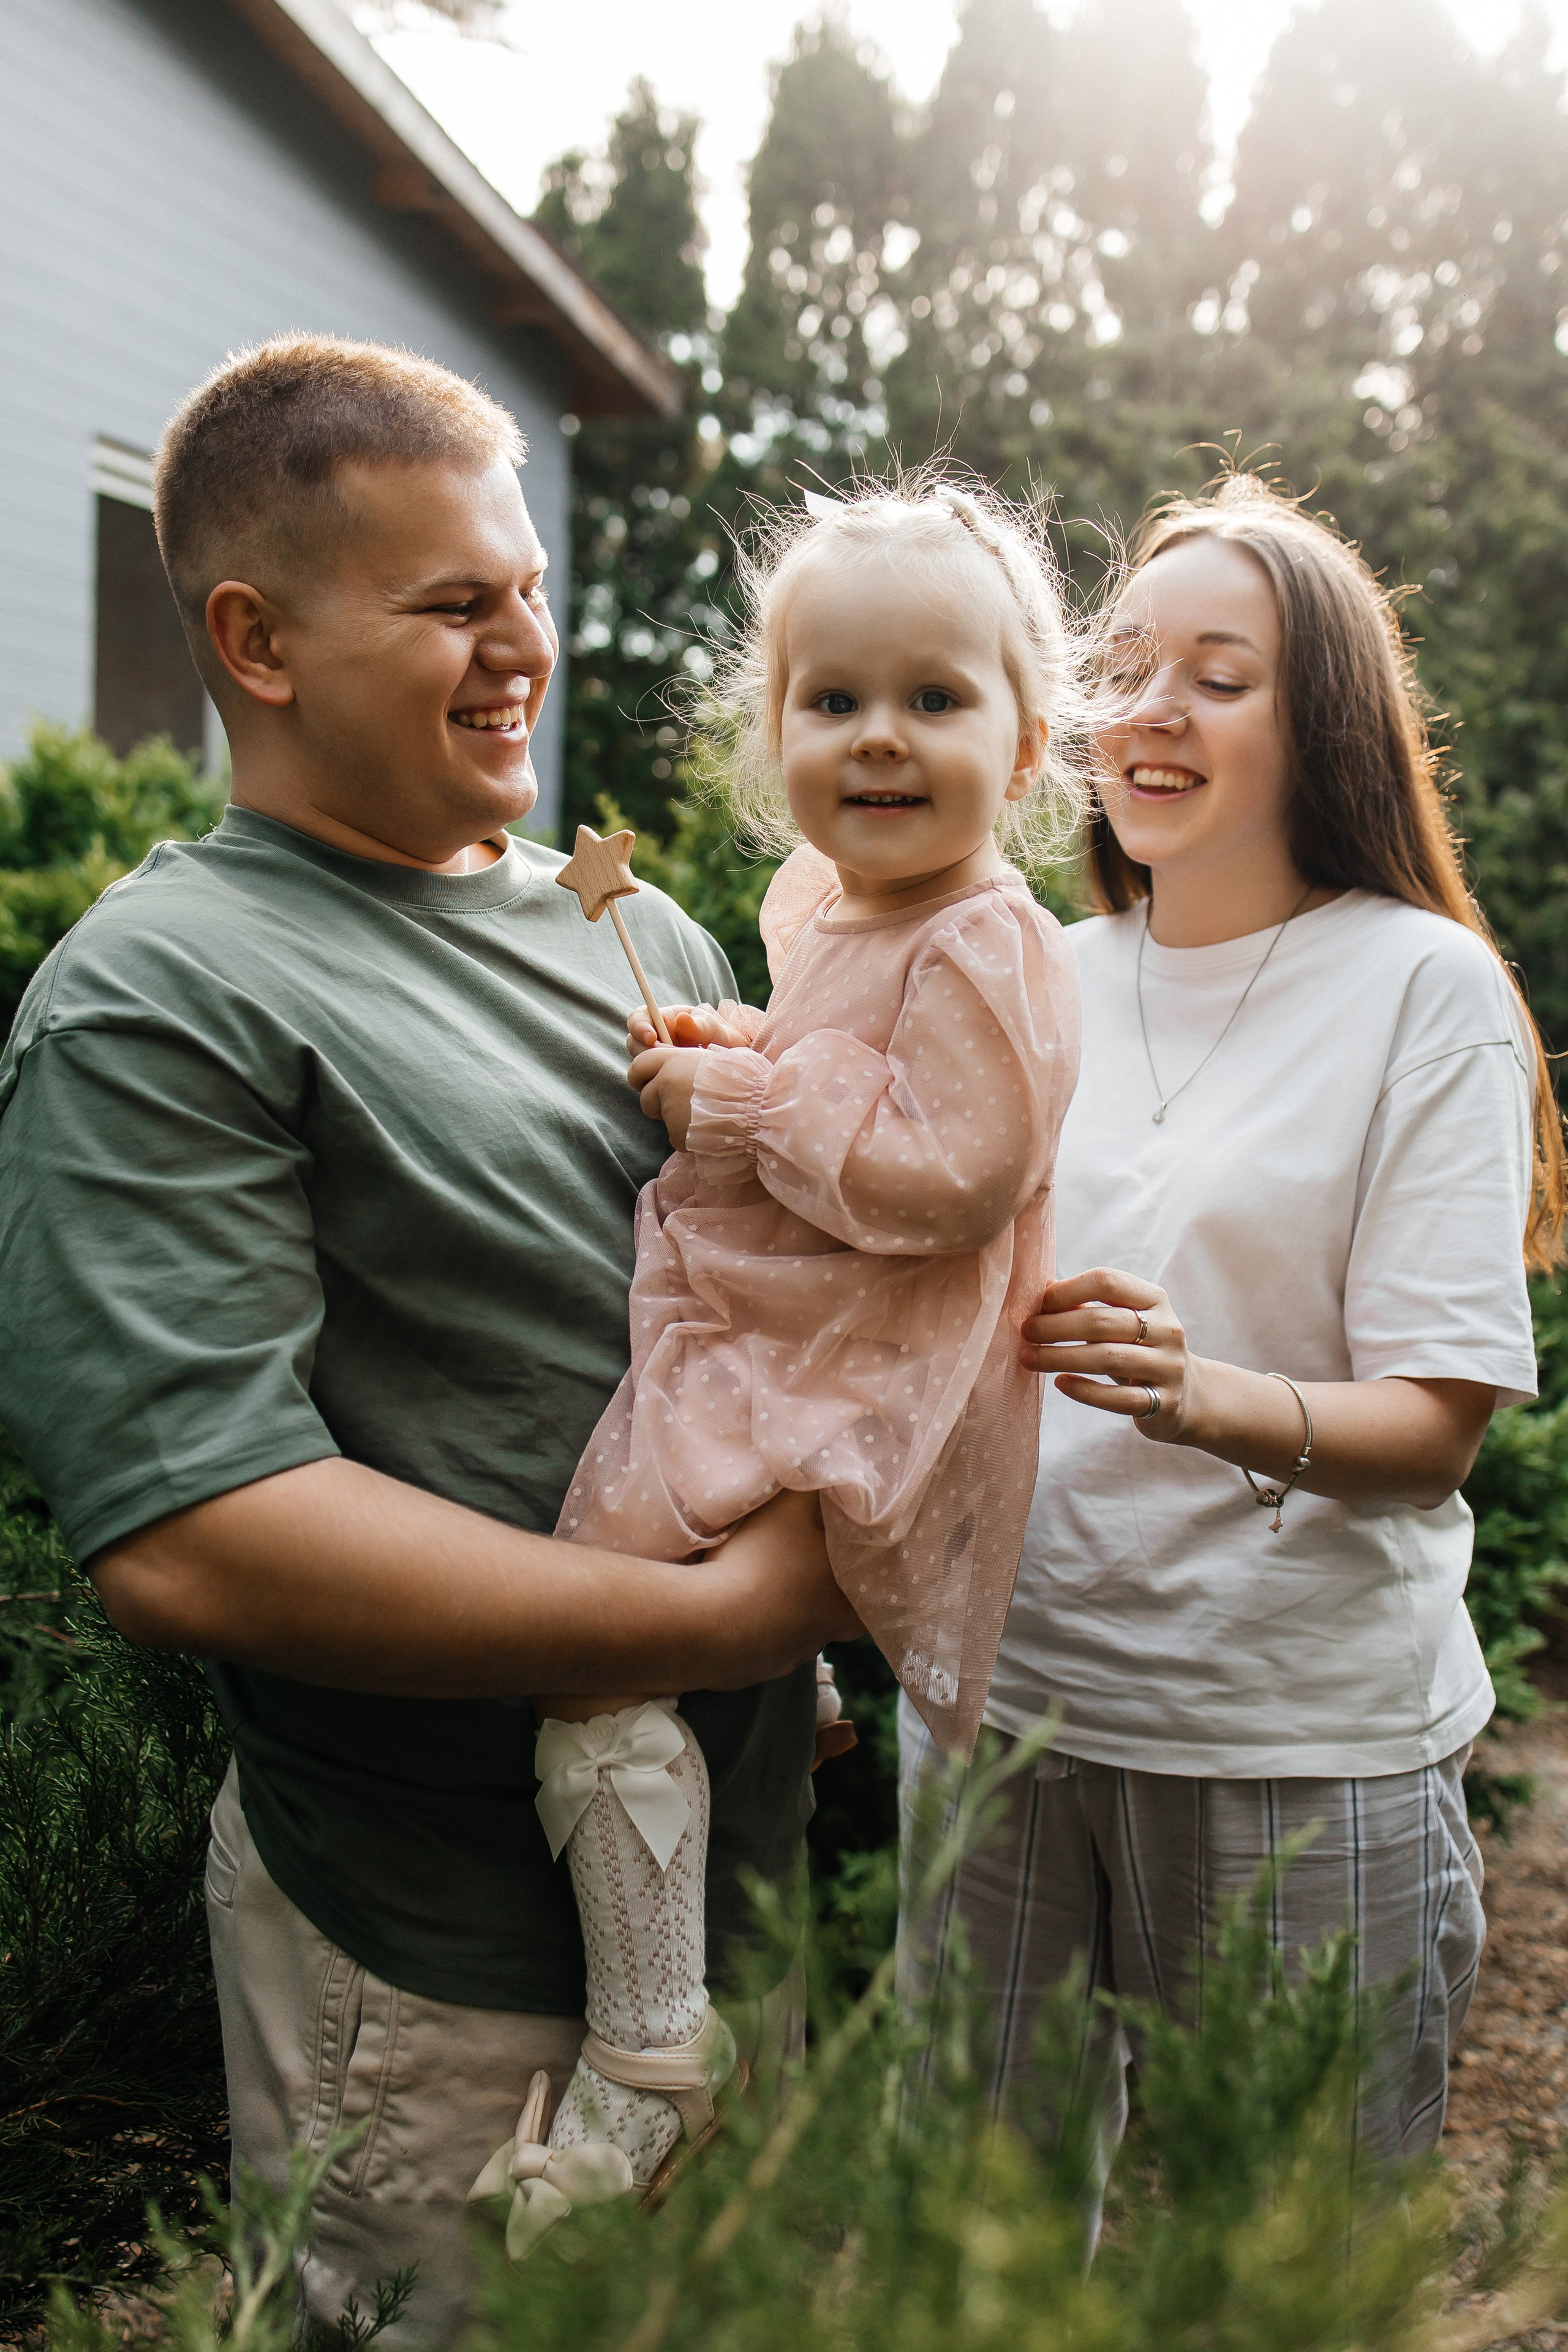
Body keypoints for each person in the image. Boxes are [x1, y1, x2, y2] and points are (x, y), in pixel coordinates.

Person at [0, 334, 857, 2346]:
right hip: (442, 1974)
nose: (524, 651)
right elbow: (197, 1534)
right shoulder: (162, 996)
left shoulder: (642, 942)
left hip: (733, 1906)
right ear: (257, 638)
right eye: (456, 605)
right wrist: (723, 1621)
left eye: (531, 592)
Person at [898, 472, 1561, 2165]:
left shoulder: (1424, 989)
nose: (1151, 711)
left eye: (1219, 670)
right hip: (1003, 1718)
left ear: (1319, 716)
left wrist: (1204, 1395)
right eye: (1123, 664)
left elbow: (1431, 1431)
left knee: (1274, 2282)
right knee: (970, 2264)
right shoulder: (1035, 970)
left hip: (1288, 1740)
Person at [480, 481, 1083, 2237]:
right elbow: (848, 1065)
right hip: (793, 1310)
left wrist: (742, 1099)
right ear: (775, 731)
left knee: (588, 1629)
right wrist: (742, 1036)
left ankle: (653, 2044)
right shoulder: (833, 904)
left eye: (935, 700)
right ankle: (786, 1718)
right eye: (834, 701)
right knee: (631, 1598)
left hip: (863, 1347)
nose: (879, 740)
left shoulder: (996, 936)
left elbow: (951, 1169)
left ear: (1028, 742)